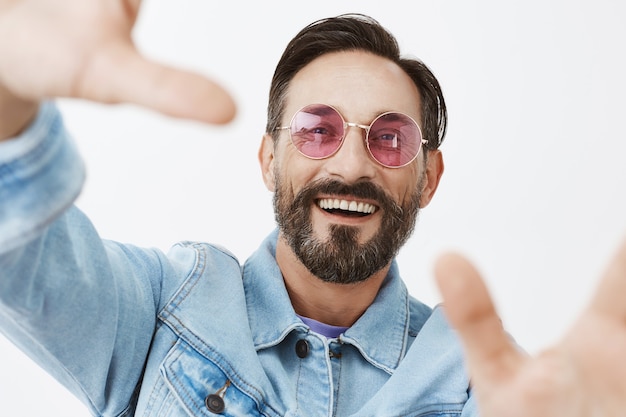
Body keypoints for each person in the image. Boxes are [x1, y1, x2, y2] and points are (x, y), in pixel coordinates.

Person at [1, 1, 625, 416]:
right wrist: (7, 98)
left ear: (428, 177)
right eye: (317, 129)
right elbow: (20, 253)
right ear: (269, 158)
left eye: (389, 138)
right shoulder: (160, 310)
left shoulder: (474, 381)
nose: (352, 166)